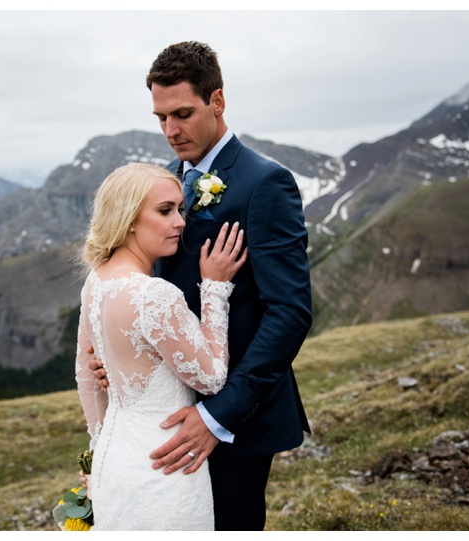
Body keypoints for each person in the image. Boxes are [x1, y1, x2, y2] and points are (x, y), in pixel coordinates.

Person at [90, 41, 313, 530]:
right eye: (161, 117)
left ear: (217, 102)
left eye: (183, 114)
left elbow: (290, 311)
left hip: (235, 422)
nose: (170, 131)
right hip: (163, 414)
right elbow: (142, 291)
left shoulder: (265, 183)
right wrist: (120, 359)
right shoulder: (164, 181)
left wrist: (218, 416)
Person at [74, 162, 247, 530]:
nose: (181, 222)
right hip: (166, 466)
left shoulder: (96, 281)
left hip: (113, 462)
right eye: (165, 210)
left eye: (180, 209)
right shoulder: (154, 295)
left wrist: (97, 445)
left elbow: (85, 376)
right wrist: (215, 289)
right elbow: (213, 379)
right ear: (129, 218)